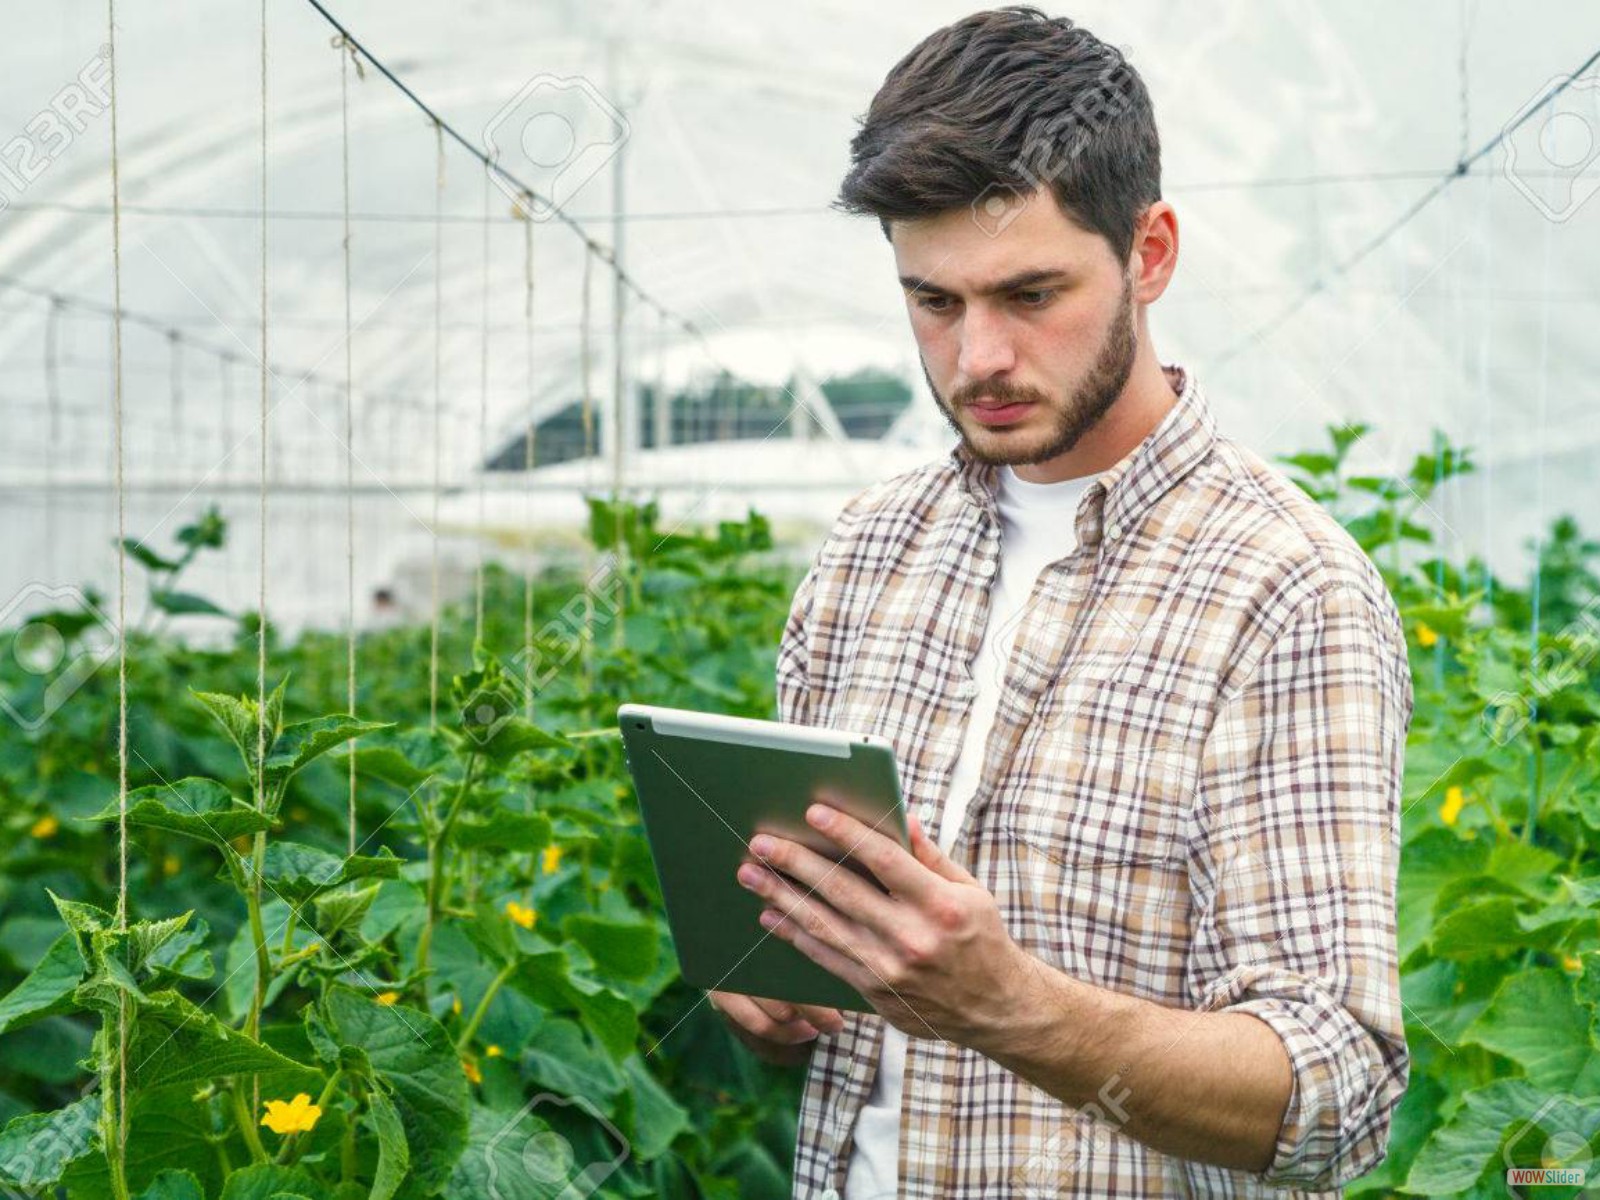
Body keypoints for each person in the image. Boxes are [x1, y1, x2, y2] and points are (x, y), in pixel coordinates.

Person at [708, 7, 1413, 1199]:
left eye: (1030, 294)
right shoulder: (867, 555)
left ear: (1150, 253)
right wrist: (771, 983)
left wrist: (1009, 1006)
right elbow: (808, 958)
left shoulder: (1285, 588)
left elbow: (1335, 1096)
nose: (977, 356)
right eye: (934, 302)